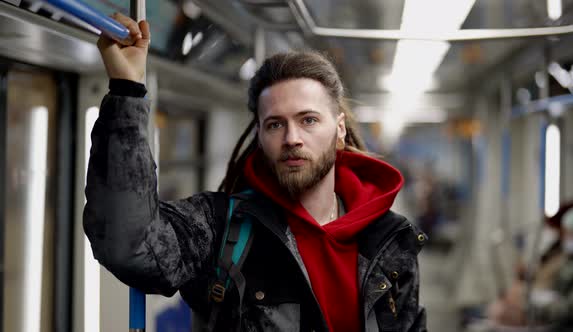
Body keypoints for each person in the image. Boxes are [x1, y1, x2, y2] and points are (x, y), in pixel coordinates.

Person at [84, 13, 427, 332]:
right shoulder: (222, 228)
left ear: (338, 128)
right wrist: (127, 91)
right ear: (261, 136)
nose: (292, 138)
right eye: (275, 124)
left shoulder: (389, 239)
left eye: (308, 120)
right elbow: (129, 244)